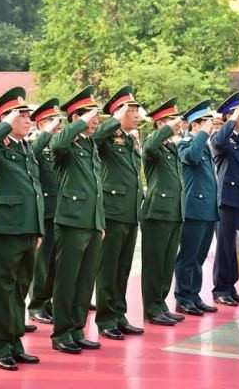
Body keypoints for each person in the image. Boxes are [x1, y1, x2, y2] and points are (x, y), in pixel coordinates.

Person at [0, 87, 44, 371]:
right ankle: (0, 346)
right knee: (2, 291)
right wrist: (2, 125)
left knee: (19, 289)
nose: (27, 120)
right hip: (4, 229)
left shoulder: (25, 147)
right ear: (6, 118)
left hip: (27, 228)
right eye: (21, 116)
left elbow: (34, 189)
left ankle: (15, 342)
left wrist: (37, 228)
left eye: (28, 116)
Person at [50, 86, 105, 354]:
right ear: (76, 118)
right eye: (91, 117)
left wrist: (100, 222)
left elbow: (96, 186)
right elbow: (56, 144)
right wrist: (80, 123)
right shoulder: (67, 143)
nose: (96, 121)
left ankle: (77, 329)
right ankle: (61, 333)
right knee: (67, 280)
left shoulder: (89, 144)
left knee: (85, 281)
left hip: (92, 221)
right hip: (71, 220)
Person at [94, 86, 144, 340]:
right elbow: (96, 137)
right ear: (118, 113)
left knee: (123, 269)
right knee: (108, 269)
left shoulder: (130, 139)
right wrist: (114, 119)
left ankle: (119, 315)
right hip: (113, 211)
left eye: (136, 111)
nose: (136, 115)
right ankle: (105, 319)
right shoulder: (107, 136)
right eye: (130, 111)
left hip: (130, 212)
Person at [140, 98, 186, 326]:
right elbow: (149, 146)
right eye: (171, 120)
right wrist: (167, 128)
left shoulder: (171, 146)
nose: (177, 124)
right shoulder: (153, 144)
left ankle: (160, 304)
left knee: (167, 263)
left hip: (173, 211)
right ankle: (151, 308)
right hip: (157, 211)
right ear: (160, 123)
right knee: (155, 264)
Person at [174, 100, 219, 316]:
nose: (211, 126)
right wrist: (201, 134)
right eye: (206, 123)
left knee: (199, 256)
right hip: (194, 208)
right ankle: (183, 297)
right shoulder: (184, 143)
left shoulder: (204, 144)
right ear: (195, 125)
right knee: (188, 256)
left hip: (208, 208)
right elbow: (191, 158)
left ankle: (194, 294)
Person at [210, 92, 239, 306]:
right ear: (230, 116)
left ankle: (230, 285)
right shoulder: (221, 137)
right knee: (226, 247)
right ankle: (220, 289)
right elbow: (218, 142)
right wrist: (232, 119)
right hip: (228, 201)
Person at [27, 98, 62, 325]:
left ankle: (48, 302)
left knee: (54, 264)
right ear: (41, 124)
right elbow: (32, 154)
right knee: (41, 264)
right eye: (52, 121)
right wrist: (47, 134)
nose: (58, 125)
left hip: (60, 211)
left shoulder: (59, 144)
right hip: (44, 212)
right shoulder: (35, 144)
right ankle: (37, 304)